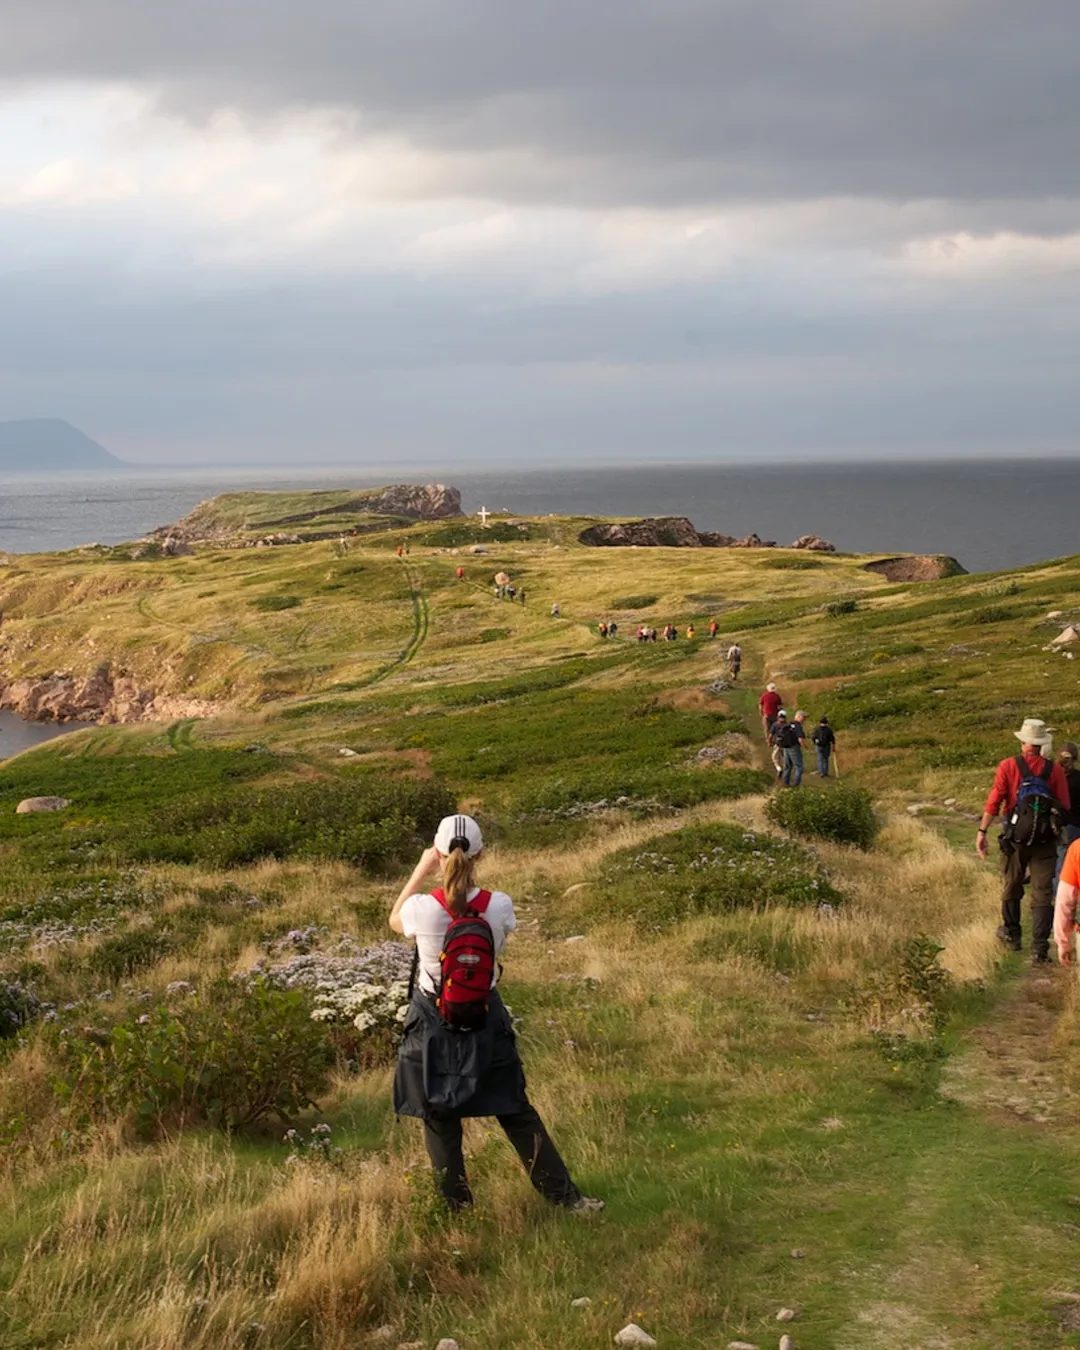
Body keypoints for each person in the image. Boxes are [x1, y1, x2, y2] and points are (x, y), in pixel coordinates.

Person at [390, 815, 603, 1213]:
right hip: (485, 1019)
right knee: (515, 1110)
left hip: (432, 1025)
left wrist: (422, 869)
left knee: (439, 1116)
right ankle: (567, 1200)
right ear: (481, 853)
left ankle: (457, 1211)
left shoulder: (421, 909)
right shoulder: (498, 905)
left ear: (438, 855)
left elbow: (393, 919)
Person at [977, 717, 1070, 963]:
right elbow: (1064, 807)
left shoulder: (1008, 766)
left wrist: (983, 832)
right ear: (1041, 744)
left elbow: (994, 802)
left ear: (1023, 743)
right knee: (1042, 893)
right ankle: (1040, 949)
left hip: (1015, 839)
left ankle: (1012, 935)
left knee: (1012, 884)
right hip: (1045, 842)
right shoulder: (1056, 770)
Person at [1054, 742, 1080, 888]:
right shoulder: (1079, 778)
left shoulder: (1052, 776)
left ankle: (1058, 896)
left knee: (1059, 863)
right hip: (1076, 826)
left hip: (1055, 824)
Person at [767, 709, 789, 779]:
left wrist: (769, 742)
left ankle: (779, 768)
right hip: (786, 745)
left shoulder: (775, 724)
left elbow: (770, 735)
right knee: (785, 758)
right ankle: (786, 771)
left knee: (774, 757)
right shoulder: (788, 725)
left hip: (778, 744)